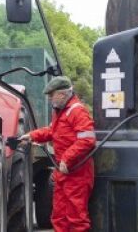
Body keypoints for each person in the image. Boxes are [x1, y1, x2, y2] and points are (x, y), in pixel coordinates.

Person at [20, 76, 96, 232]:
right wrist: (32, 136)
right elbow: (52, 132)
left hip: (77, 174)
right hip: (63, 173)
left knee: (76, 218)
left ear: (62, 94)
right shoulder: (60, 112)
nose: (49, 99)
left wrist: (67, 159)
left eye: (51, 95)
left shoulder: (77, 111)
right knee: (59, 216)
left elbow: (88, 140)